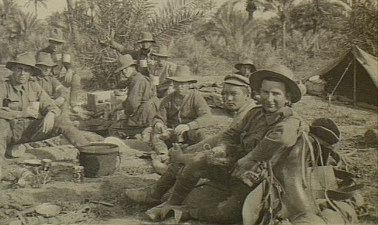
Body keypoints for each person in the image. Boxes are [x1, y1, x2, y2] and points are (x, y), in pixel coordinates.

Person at [143, 64, 308, 224]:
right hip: (233, 167)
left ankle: (185, 212)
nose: (269, 99)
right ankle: (171, 203)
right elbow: (231, 133)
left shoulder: (291, 122)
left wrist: (250, 158)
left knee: (227, 214)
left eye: (276, 94)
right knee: (196, 163)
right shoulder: (255, 113)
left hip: (257, 181)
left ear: (288, 97)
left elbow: (281, 139)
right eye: (265, 92)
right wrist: (221, 148)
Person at [125, 74, 256, 205]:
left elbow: (211, 123)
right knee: (178, 150)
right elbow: (224, 136)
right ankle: (161, 190)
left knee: (190, 159)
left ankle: (156, 193)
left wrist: (187, 151)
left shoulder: (248, 114)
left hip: (241, 171)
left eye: (234, 94)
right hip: (175, 134)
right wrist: (160, 125)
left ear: (247, 94)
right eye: (225, 94)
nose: (228, 98)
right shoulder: (168, 99)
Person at [0, 52, 90, 182]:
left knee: (62, 120)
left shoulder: (33, 85)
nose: (23, 73)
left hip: (29, 130)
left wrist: (51, 113)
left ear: (31, 73)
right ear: (13, 69)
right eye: (19, 69)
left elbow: (50, 105)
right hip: (8, 131)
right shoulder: (2, 85)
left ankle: (90, 152)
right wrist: (20, 113)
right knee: (0, 121)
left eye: (27, 70)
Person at [149, 65, 212, 154]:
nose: (179, 87)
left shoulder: (196, 97)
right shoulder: (168, 99)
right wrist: (158, 124)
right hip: (173, 133)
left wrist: (188, 126)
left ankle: (200, 154)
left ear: (189, 84)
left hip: (190, 132)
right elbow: (158, 117)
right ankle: (163, 155)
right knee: (156, 136)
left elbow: (207, 117)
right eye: (176, 83)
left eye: (182, 84)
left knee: (202, 134)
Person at [108, 54, 159, 138]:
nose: (124, 71)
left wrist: (126, 114)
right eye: (122, 70)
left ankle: (140, 133)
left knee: (113, 128)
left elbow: (132, 104)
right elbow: (130, 100)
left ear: (133, 67)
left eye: (126, 68)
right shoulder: (138, 77)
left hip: (144, 115)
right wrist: (116, 108)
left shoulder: (137, 81)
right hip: (149, 112)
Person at [37, 28, 81, 113]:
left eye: (58, 43)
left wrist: (70, 70)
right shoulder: (42, 53)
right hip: (47, 81)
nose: (56, 45)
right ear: (49, 42)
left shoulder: (63, 52)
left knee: (76, 77)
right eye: (53, 42)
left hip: (59, 80)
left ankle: (73, 104)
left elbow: (67, 63)